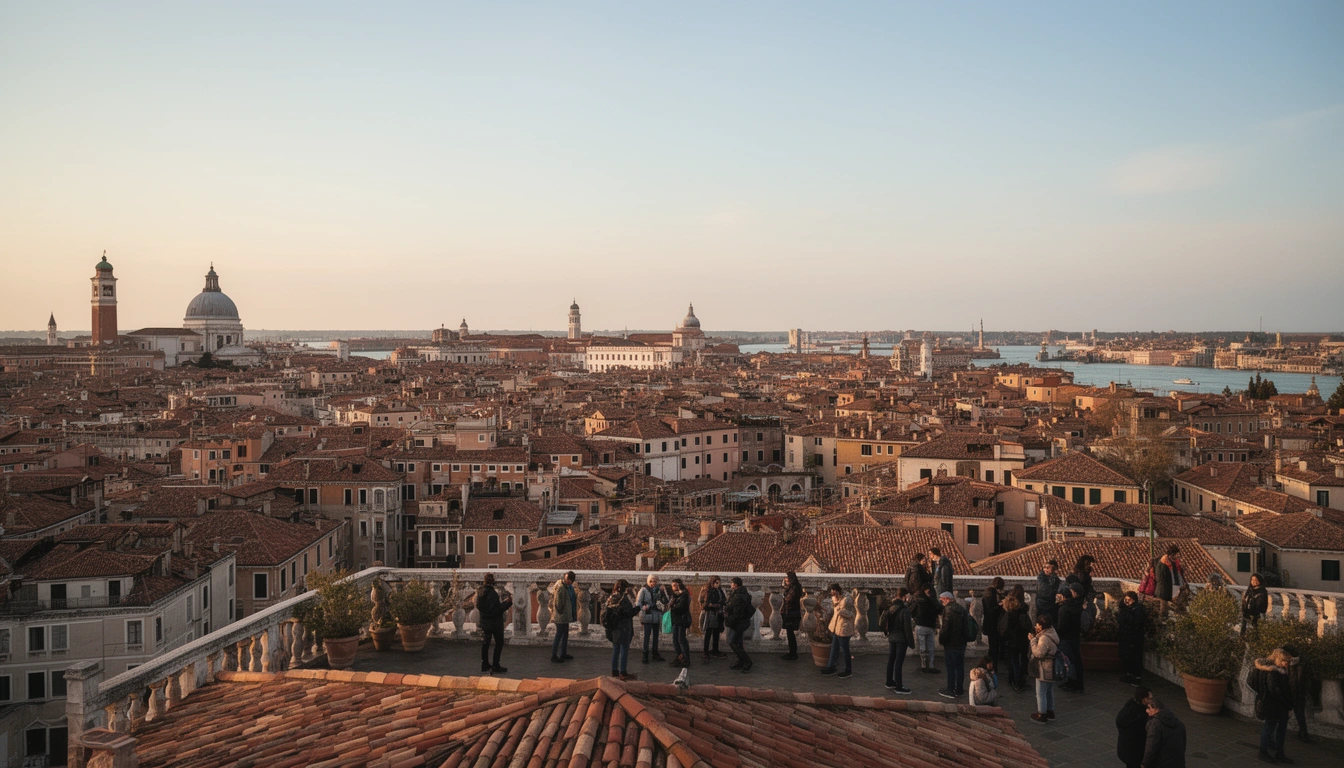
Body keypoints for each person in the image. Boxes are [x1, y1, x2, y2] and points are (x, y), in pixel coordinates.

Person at [1248, 648, 1294, 764]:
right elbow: (1275, 690)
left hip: (1275, 704)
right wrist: (1288, 704)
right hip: (1273, 704)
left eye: (1288, 662)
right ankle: (1264, 752)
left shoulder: (1275, 669)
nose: (1286, 664)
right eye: (1284, 661)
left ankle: (1278, 752)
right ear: (1278, 659)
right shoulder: (1273, 672)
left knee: (1276, 728)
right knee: (1269, 728)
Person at [878, 588, 915, 694]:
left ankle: (889, 682)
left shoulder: (890, 607)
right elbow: (907, 628)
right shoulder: (904, 610)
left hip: (892, 637)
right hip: (901, 639)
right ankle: (899, 686)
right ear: (904, 596)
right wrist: (911, 642)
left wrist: (887, 632)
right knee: (898, 662)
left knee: (891, 660)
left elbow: (883, 622)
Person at [476, 573, 513, 674]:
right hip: (495, 623)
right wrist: (508, 603)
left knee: (486, 643)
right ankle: (496, 665)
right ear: (492, 581)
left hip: (484, 622)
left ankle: (485, 664)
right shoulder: (492, 594)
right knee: (499, 643)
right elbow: (497, 610)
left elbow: (480, 606)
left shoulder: (480, 592)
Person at [603, 580, 639, 681]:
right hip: (623, 627)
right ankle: (623, 671)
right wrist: (638, 608)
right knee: (624, 649)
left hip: (614, 627)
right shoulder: (622, 598)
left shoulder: (611, 597)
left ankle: (615, 671)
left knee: (616, 649)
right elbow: (628, 612)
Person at [937, 591, 969, 699]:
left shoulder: (948, 610)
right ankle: (959, 689)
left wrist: (942, 640)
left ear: (946, 599)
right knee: (960, 666)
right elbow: (965, 628)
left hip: (951, 643)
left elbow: (946, 629)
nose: (942, 603)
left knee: (950, 667)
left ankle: (950, 689)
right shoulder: (962, 610)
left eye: (942, 600)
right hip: (961, 643)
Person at [1029, 614, 1059, 723]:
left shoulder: (1044, 638)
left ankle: (1042, 714)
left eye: (1037, 624)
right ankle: (1050, 711)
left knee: (1040, 692)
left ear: (1042, 626)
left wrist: (1032, 640)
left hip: (1044, 667)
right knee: (1049, 690)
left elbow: (1038, 653)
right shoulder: (1052, 632)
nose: (1036, 626)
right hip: (1051, 666)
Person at [1056, 583, 1086, 693]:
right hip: (1075, 636)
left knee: (1068, 661)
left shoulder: (1064, 609)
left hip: (1066, 637)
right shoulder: (1078, 605)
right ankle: (1077, 682)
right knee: (1076, 660)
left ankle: (1072, 682)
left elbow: (1062, 626)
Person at [823, 583, 857, 678]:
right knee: (834, 648)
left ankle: (848, 670)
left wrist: (840, 610)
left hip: (844, 628)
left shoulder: (847, 599)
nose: (832, 593)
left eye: (833, 591)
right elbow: (836, 611)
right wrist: (836, 602)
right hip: (837, 627)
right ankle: (831, 667)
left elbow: (851, 613)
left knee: (846, 650)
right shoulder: (836, 598)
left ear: (836, 590)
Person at [999, 593, 1032, 692]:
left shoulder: (1009, 614)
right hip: (1023, 641)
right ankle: (1022, 679)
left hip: (1012, 641)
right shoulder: (1023, 612)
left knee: (1014, 661)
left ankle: (1016, 681)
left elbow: (1004, 630)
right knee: (1022, 659)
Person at [1141, 698, 1187, 768]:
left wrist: (1144, 764)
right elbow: (1183, 743)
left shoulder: (1154, 725)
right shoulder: (1179, 724)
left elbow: (1151, 748)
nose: (1146, 711)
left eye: (1148, 708)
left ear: (1155, 709)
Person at [1281, 643, 1312, 744]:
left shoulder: (1300, 662)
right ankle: (1301, 733)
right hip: (1292, 691)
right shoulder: (1300, 660)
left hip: (1296, 691)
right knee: (1294, 713)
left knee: (1298, 713)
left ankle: (1302, 732)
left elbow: (1304, 678)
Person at [1116, 686, 1152, 768]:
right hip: (1135, 753)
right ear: (1144, 699)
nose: (1151, 700)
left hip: (1125, 750)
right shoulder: (1140, 716)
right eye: (1149, 698)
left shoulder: (1129, 707)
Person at [723, 577, 754, 673]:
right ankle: (741, 661)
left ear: (735, 585)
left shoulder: (738, 596)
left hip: (738, 622)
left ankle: (747, 661)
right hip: (742, 621)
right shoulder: (742, 594)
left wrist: (728, 620)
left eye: (731, 583)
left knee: (732, 642)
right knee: (738, 643)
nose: (730, 585)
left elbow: (737, 612)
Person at [636, 574, 667, 664]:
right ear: (648, 581)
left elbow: (665, 600)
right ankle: (645, 655)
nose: (653, 583)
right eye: (651, 581)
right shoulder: (643, 590)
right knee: (647, 636)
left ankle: (655, 653)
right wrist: (644, 607)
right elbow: (638, 604)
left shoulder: (659, 590)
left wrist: (662, 592)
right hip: (648, 615)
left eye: (654, 581)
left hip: (656, 615)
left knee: (656, 636)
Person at [1118, 590, 1147, 685]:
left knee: (1135, 657)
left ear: (1133, 600)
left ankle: (1137, 677)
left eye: (1128, 600)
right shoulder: (1126, 609)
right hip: (1125, 636)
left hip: (1135, 637)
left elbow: (1135, 623)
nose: (1126, 601)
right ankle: (1129, 674)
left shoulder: (1138, 610)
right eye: (1125, 599)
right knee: (1126, 656)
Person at [912, 586, 943, 674]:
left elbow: (911, 611)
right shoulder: (933, 602)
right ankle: (931, 665)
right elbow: (939, 610)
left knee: (922, 647)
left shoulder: (918, 601)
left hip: (920, 625)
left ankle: (924, 665)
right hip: (930, 626)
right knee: (931, 647)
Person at [549, 571, 577, 664]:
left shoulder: (565, 586)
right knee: (559, 634)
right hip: (561, 615)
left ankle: (563, 653)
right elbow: (558, 603)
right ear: (567, 579)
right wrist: (561, 613)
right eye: (571, 581)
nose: (571, 583)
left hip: (565, 615)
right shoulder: (561, 588)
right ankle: (554, 655)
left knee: (565, 634)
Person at [698, 576, 728, 661]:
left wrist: (719, 604)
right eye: (716, 583)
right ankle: (705, 651)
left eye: (719, 583)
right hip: (710, 614)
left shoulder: (720, 590)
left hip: (718, 614)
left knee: (716, 633)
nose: (718, 584)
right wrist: (712, 605)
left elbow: (724, 600)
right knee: (708, 633)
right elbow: (705, 603)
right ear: (712, 583)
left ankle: (715, 650)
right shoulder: (708, 591)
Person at [667, 579, 692, 667]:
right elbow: (669, 605)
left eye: (676, 585)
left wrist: (673, 606)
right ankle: (679, 656)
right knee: (675, 640)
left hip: (682, 620)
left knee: (681, 639)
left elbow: (681, 607)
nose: (674, 587)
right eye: (673, 585)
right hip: (675, 620)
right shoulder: (674, 596)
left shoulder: (684, 595)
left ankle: (686, 658)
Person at [981, 578, 1005, 668]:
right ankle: (992, 666)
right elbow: (992, 610)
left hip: (989, 623)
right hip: (993, 624)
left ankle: (991, 665)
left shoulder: (989, 593)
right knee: (993, 647)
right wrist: (1000, 605)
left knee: (993, 646)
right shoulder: (991, 594)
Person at [781, 571, 803, 660]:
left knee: (790, 633)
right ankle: (792, 652)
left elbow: (789, 599)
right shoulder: (794, 587)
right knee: (789, 633)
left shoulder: (794, 588)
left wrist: (785, 591)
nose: (785, 579)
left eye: (786, 578)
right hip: (791, 612)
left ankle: (793, 652)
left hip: (791, 613)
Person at [1156, 545, 1184, 613]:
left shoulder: (1169, 563)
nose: (1177, 557)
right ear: (1172, 554)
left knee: (1165, 608)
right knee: (1163, 608)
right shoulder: (1163, 564)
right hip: (1164, 590)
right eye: (1176, 555)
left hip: (1167, 589)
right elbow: (1162, 579)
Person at [1036, 560, 1062, 624]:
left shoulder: (1055, 579)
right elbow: (1046, 592)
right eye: (1045, 567)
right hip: (1042, 606)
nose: (1046, 569)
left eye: (1048, 568)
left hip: (1052, 607)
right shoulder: (1041, 578)